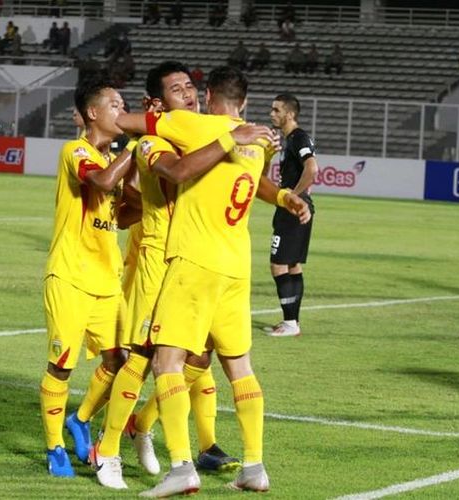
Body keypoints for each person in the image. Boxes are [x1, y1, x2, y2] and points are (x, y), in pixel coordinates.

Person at [90, 61, 287, 490]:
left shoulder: (198, 130)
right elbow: (159, 182)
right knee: (145, 357)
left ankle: (154, 433)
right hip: (159, 260)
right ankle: (107, 450)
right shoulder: (155, 142)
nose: (189, 94)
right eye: (177, 89)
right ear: (159, 105)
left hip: (197, 263)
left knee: (196, 361)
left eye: (190, 87)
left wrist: (284, 196)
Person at [41, 77, 137, 477]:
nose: (123, 110)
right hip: (69, 277)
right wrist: (134, 145)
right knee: (61, 365)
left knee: (121, 359)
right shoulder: (74, 151)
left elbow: (122, 214)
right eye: (115, 105)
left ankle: (79, 419)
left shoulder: (110, 160)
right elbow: (101, 182)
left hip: (106, 280)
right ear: (93, 113)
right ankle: (55, 448)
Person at [264, 94, 319, 337]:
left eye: (276, 110)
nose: (271, 114)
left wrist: (293, 196)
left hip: (293, 208)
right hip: (294, 207)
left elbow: (312, 168)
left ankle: (290, 323)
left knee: (278, 265)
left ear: (290, 114)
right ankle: (291, 322)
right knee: (293, 265)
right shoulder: (291, 140)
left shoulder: (298, 137)